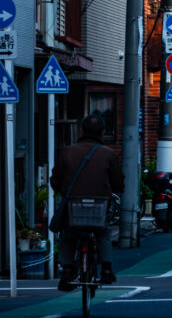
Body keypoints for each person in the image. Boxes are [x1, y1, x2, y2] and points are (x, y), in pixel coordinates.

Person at [51, 114, 123, 291]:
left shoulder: (67, 152)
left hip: (74, 205)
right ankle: (106, 269)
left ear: (81, 131)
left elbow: (55, 181)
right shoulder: (109, 154)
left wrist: (65, 191)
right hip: (99, 206)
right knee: (103, 232)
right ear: (103, 132)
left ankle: (67, 269)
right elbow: (118, 183)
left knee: (69, 234)